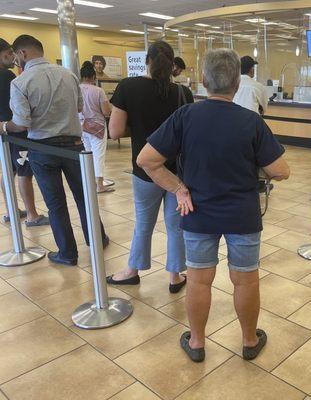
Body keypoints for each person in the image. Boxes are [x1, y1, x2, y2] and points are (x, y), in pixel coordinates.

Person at [136, 48, 290, 362]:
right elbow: (280, 170)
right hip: (242, 215)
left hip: (197, 213)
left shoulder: (184, 117)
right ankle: (249, 340)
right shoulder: (252, 122)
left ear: (204, 81)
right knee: (245, 278)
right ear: (237, 83)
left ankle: (196, 342)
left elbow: (146, 160)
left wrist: (179, 188)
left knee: (198, 279)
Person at [2, 35, 108, 265]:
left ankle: (68, 253)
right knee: (84, 196)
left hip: (42, 149)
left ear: (23, 54)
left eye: (16, 55)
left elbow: (21, 123)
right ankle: (97, 238)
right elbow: (79, 107)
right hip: (74, 146)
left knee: (56, 202)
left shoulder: (20, 83)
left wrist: (3, 126)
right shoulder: (68, 75)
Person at [107, 40, 193, 293]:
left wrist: (138, 125)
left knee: (144, 222)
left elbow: (114, 132)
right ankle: (175, 276)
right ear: (172, 64)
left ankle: (132, 271)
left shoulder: (127, 87)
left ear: (147, 60)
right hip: (176, 172)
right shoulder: (182, 93)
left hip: (144, 171)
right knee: (176, 225)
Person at [0, 38, 49, 227]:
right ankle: (32, 214)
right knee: (24, 172)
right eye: (8, 54)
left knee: (9, 170)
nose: (12, 57)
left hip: (4, 132)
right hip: (17, 131)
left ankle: (11, 210)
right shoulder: (8, 77)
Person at [79, 61, 113, 194]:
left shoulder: (76, 89)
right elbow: (106, 111)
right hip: (97, 127)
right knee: (98, 155)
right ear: (93, 77)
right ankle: (100, 185)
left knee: (88, 153)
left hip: (81, 125)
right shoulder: (98, 91)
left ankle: (90, 182)